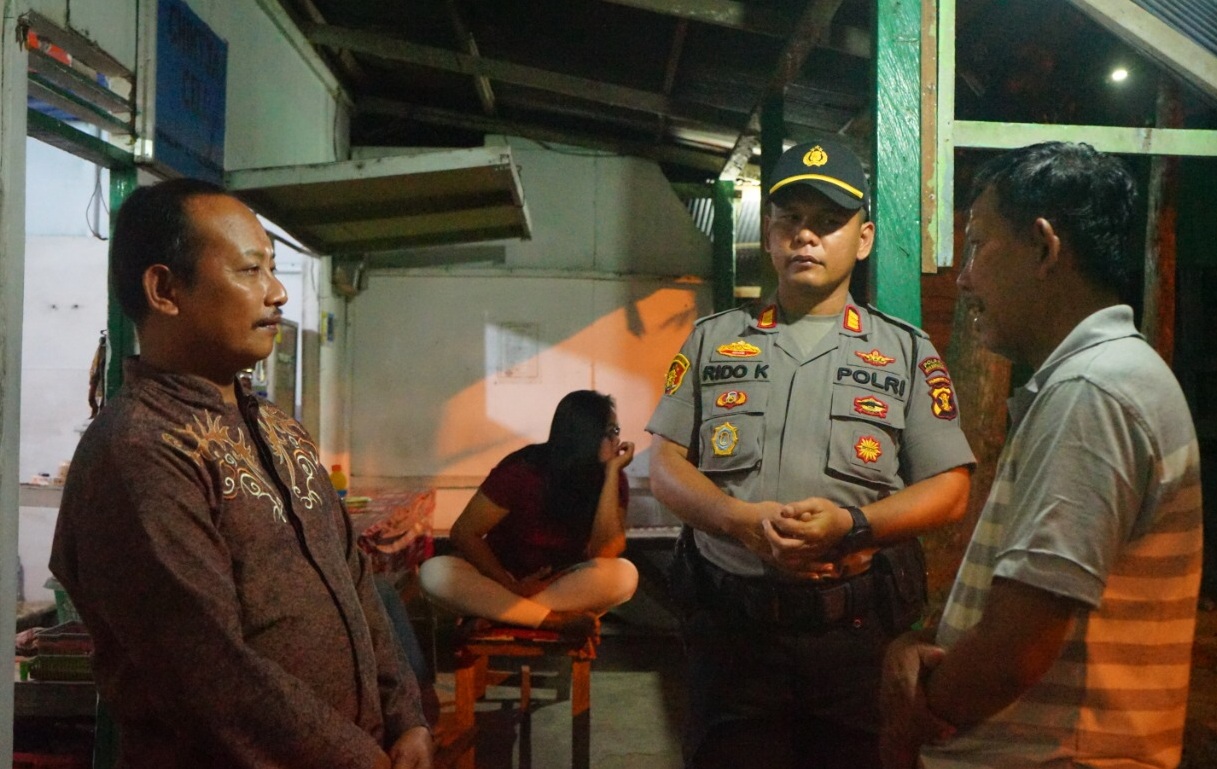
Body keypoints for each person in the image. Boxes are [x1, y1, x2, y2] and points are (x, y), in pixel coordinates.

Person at [49, 178, 432, 769]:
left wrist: (405, 715)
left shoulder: (279, 429)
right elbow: (209, 672)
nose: (277, 293)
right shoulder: (139, 451)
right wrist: (359, 760)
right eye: (250, 271)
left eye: (272, 269)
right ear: (165, 289)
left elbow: (356, 582)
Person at [646, 138, 975, 769]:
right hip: (732, 638)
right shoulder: (712, 340)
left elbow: (951, 487)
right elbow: (665, 465)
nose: (805, 237)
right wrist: (741, 524)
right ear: (768, 234)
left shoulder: (907, 352)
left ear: (866, 238)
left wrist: (854, 526)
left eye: (828, 223)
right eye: (790, 220)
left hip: (855, 644)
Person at [880, 142, 1204, 769]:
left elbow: (1017, 646)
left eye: (978, 245)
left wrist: (913, 722)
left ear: (1045, 248)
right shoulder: (1097, 379)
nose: (965, 277)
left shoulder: (1092, 392)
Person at [418, 390, 639, 638]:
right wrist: (512, 586)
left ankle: (501, 616)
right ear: (586, 434)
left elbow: (605, 552)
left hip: (560, 582)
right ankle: (552, 621)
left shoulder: (612, 477)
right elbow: (464, 533)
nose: (616, 441)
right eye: (611, 431)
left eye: (616, 432)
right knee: (434, 573)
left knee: (624, 575)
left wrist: (611, 475)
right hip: (502, 577)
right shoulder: (524, 470)